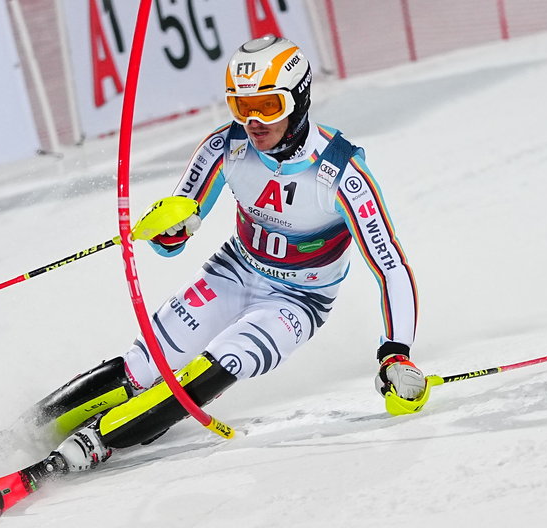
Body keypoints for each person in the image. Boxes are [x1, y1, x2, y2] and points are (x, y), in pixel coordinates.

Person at [21, 35, 430, 473]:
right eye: (241, 106)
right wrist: (168, 228)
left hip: (297, 300)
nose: (253, 121)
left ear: (299, 99)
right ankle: (19, 434)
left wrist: (395, 353)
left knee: (225, 359)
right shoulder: (225, 147)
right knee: (144, 364)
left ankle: (95, 443)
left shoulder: (342, 173)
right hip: (232, 272)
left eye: (268, 106)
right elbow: (172, 239)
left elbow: (390, 267)